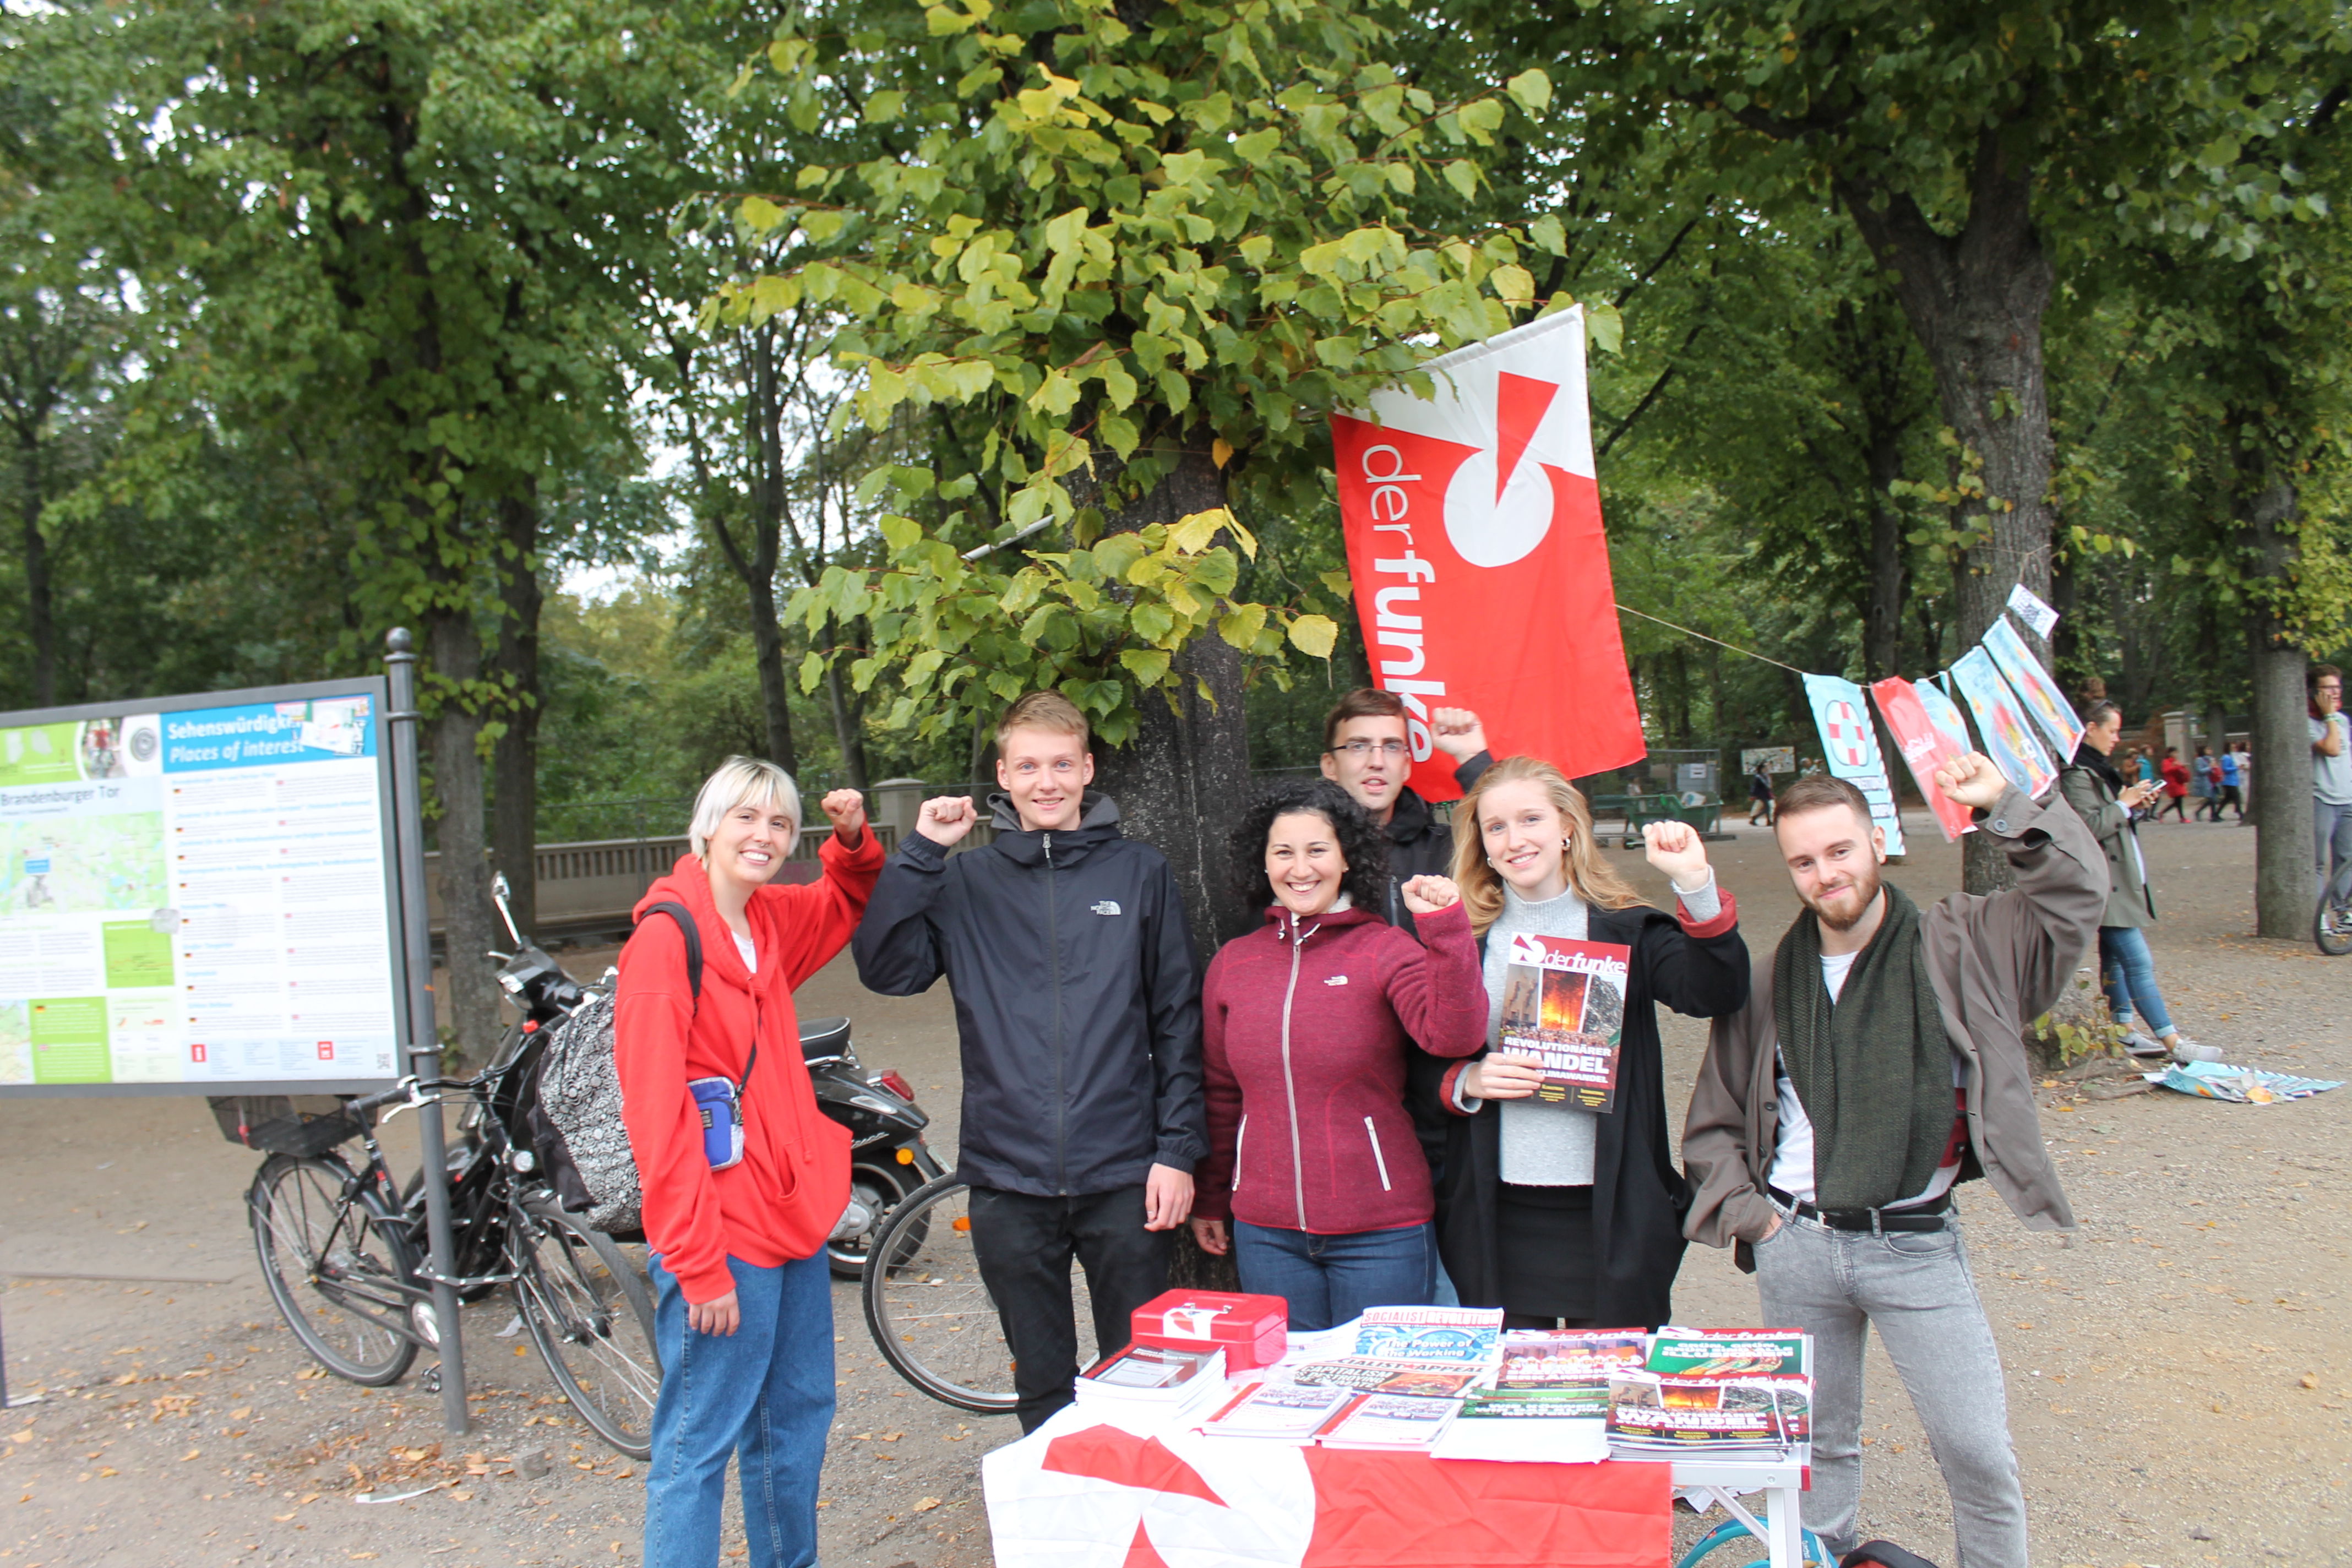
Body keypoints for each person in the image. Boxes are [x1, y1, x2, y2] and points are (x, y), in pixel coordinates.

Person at [1681, 759, 2103, 1567]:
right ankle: (1814, 1557)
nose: (1825, 874)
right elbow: (1714, 1120)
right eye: (1804, 861)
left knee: (1978, 1450)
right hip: (1796, 1242)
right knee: (1817, 1453)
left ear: (1879, 842)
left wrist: (2009, 810)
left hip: (1915, 1245)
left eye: (1840, 851)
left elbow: (2076, 896)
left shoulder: (1965, 942)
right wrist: (1755, 1218)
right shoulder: (1774, 978)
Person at [851, 692, 1203, 1433]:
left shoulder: (1139, 873)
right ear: (1004, 777)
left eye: (1062, 764)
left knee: (1140, 1378)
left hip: (1124, 1174)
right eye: (1030, 766)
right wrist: (921, 853)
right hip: (1008, 1178)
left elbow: (1177, 1021)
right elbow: (886, 970)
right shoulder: (962, 882)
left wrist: (1176, 1152)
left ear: (1088, 769)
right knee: (1044, 1385)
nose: (1048, 781)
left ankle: (1136, 1536)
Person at [616, 758, 883, 1568]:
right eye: (746, 818)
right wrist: (697, 1265)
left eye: (778, 823)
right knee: (698, 1445)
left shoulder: (764, 922)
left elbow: (842, 899)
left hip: (792, 1217)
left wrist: (847, 841)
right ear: (707, 826)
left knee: (798, 1418)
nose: (763, 836)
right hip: (720, 1235)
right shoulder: (667, 944)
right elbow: (658, 1124)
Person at [1408, 756, 1747, 1329]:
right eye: (1496, 827)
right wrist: (1465, 1080)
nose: (1515, 839)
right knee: (1513, 1401)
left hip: (1610, 1211)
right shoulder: (1462, 938)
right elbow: (1415, 1059)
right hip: (1498, 1216)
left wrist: (1695, 883)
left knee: (1615, 1393)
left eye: (1531, 819)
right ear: (1482, 844)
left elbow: (1714, 992)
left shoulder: (1626, 928)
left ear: (1567, 826)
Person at [1189, 781, 1488, 1329]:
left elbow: (1454, 1037)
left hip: (1383, 1231)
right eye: (1284, 852)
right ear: (1264, 862)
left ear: (1347, 857)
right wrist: (1211, 1196)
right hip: (1267, 1234)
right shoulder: (1234, 963)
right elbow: (1221, 1090)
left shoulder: (1386, 950)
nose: (1301, 868)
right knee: (1292, 1398)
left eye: (1317, 850)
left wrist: (1445, 931)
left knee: (1385, 1399)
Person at [2060, 703, 2219, 1064]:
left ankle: (2124, 1030)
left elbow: (2114, 815)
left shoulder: (2098, 770)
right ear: (2090, 728)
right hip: (2105, 884)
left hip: (2117, 881)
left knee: (2116, 960)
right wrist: (2125, 805)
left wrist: (2134, 803)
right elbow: (2087, 827)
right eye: (2112, 730)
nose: (2117, 738)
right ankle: (2173, 1042)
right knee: (2138, 961)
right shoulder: (2077, 774)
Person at [1316, 688, 1493, 937]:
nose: (1377, 761)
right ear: (1330, 766)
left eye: (1391, 747)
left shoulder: (1449, 850)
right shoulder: (1304, 857)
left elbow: (1515, 838)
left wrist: (1472, 759)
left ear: (1406, 766)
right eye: (1358, 746)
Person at [2313, 665, 2351, 928]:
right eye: (2328, 688)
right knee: (2316, 862)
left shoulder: (2343, 721)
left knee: (2346, 860)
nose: (2336, 693)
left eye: (2338, 687)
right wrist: (2328, 717)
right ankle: (2320, 918)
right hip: (2321, 798)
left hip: (2347, 799)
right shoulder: (2308, 722)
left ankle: (2344, 911)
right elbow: (2331, 749)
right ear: (2315, 692)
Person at [2157, 746, 2191, 824]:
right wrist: (2176, 767)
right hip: (2173, 783)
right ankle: (2182, 817)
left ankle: (2163, 813)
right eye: (2174, 753)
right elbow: (2166, 771)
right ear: (2169, 753)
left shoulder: (2176, 761)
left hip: (2179, 782)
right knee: (2178, 801)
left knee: (2177, 802)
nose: (2176, 754)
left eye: (2176, 753)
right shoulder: (2166, 761)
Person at [2217, 743, 2245, 821]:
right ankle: (2240, 812)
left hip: (2232, 781)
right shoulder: (2226, 757)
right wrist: (2236, 768)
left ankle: (2217, 813)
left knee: (2227, 799)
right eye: (2232, 747)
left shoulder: (2230, 757)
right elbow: (2225, 769)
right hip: (2229, 781)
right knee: (2237, 797)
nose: (2234, 749)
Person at [2192, 744, 2219, 821]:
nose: (2210, 751)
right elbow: (2200, 770)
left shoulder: (2211, 759)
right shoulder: (2199, 760)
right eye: (2207, 750)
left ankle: (2211, 815)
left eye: (2210, 749)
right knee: (2212, 800)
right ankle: (2213, 816)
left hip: (2213, 781)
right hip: (2205, 781)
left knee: (2213, 800)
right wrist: (2210, 767)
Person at [1747, 761, 1776, 826]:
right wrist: (1753, 795)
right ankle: (1768, 821)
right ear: (1762, 769)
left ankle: (1755, 818)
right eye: (1765, 768)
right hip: (1761, 794)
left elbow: (1770, 786)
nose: (1766, 769)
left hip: (1767, 794)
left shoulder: (1766, 776)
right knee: (1768, 808)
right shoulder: (1758, 777)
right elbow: (1755, 787)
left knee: (1767, 808)